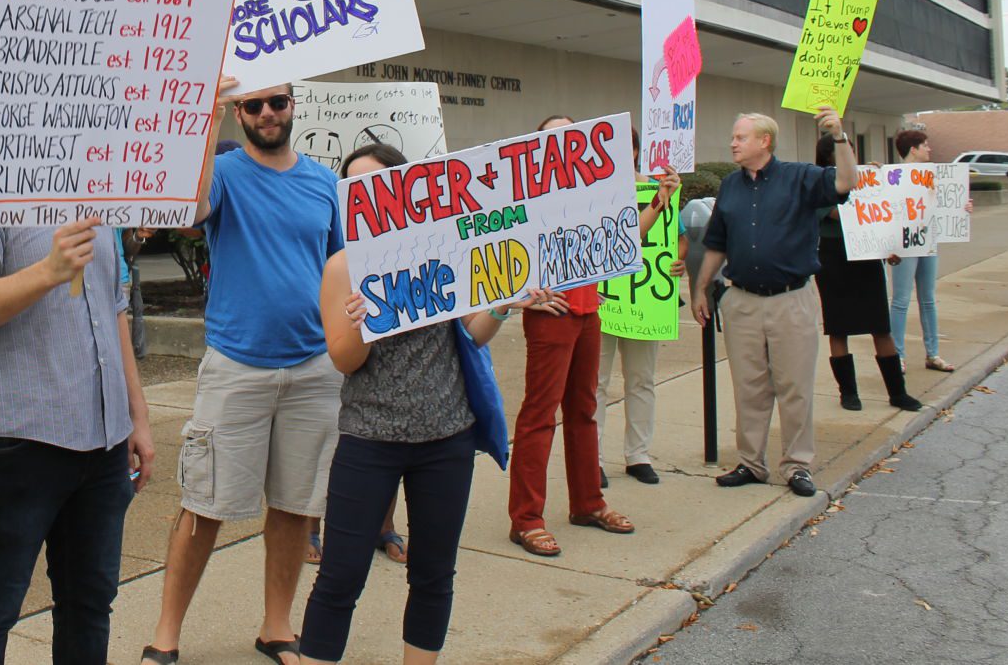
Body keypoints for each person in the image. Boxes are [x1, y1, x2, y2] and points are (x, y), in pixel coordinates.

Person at [299, 142, 558, 665]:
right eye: (353, 190)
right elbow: (345, 362)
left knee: (434, 574)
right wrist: (365, 319)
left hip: (446, 438)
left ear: (404, 191)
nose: (364, 198)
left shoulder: (446, 250)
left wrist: (503, 304)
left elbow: (473, 334)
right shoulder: (341, 268)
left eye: (376, 185)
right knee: (341, 575)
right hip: (368, 438)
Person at [144, 82, 345, 665]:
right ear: (238, 113)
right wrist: (202, 119)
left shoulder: (326, 184)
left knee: (293, 507)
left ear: (292, 105)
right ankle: (166, 635)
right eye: (252, 106)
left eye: (276, 102)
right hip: (236, 368)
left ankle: (276, 629)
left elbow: (339, 267)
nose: (266, 114)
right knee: (203, 505)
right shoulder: (226, 173)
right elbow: (186, 211)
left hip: (313, 369)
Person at [0, 160, 153, 664]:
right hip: (12, 443)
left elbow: (112, 302)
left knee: (90, 606)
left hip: (103, 441)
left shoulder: (97, 179)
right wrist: (48, 272)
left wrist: (136, 417)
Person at [692, 107, 855, 498]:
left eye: (741, 137)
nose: (733, 142)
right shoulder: (730, 187)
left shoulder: (800, 177)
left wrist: (839, 136)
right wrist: (699, 288)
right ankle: (751, 462)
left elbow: (848, 182)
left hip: (791, 300)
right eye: (733, 136)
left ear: (764, 141)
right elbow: (716, 243)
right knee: (749, 387)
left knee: (794, 386)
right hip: (742, 301)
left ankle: (797, 465)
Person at [507, 116, 639, 557]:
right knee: (540, 414)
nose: (565, 139)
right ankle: (526, 518)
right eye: (554, 134)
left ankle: (587, 503)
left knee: (584, 411)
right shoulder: (528, 192)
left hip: (588, 312)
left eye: (570, 132)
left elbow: (623, 241)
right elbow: (498, 244)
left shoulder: (595, 190)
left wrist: (658, 202)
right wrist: (524, 297)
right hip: (552, 314)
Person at [594, 131, 683, 487]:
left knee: (642, 379)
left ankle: (638, 455)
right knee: (595, 383)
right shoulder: (595, 192)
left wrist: (678, 261)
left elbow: (674, 241)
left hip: (646, 299)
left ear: (634, 151)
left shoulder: (658, 190)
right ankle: (593, 457)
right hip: (606, 300)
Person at [810, 133, 921, 413]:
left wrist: (877, 183)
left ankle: (898, 392)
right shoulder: (820, 181)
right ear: (829, 155)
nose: (851, 154)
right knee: (838, 328)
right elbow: (842, 213)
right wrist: (868, 189)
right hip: (834, 256)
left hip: (866, 255)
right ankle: (848, 393)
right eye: (844, 149)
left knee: (880, 326)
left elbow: (878, 216)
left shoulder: (865, 178)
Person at [889, 128, 955, 372]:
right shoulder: (893, 176)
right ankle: (896, 354)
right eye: (925, 145)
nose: (930, 149)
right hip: (904, 244)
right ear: (913, 149)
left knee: (928, 300)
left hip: (928, 241)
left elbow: (947, 205)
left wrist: (961, 207)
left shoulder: (934, 175)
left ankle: (933, 353)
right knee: (901, 300)